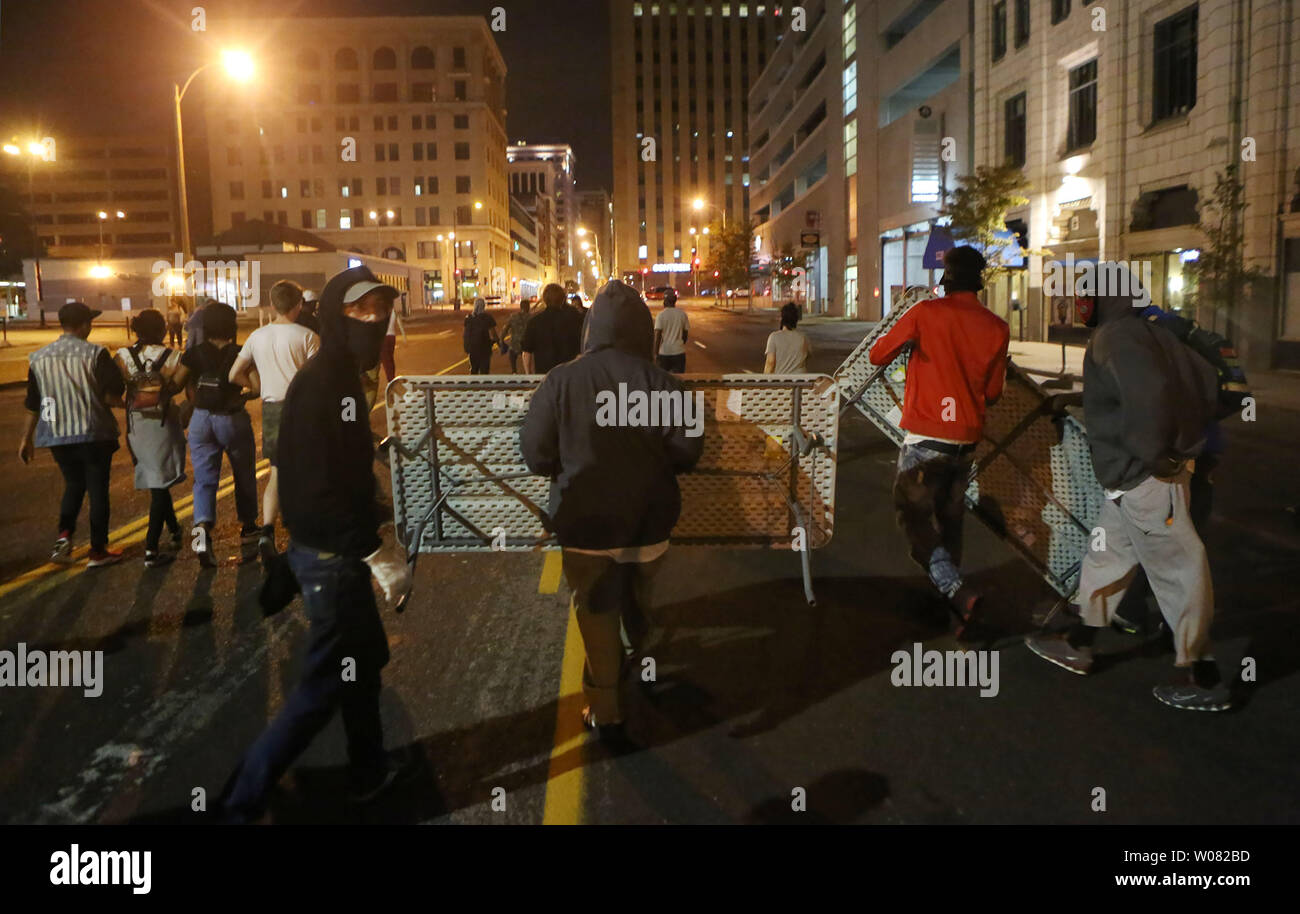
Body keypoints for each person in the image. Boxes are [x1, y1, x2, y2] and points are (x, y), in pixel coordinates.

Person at [217, 264, 411, 822]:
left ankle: (369, 770)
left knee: (363, 662)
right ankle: (239, 800)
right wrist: (374, 552)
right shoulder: (324, 379)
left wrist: (377, 479)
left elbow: (342, 467)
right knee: (322, 685)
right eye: (359, 310)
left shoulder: (345, 376)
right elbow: (311, 484)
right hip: (332, 558)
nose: (373, 319)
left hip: (333, 549)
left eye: (380, 309)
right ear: (332, 314)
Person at [1025, 263, 1231, 711]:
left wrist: (1157, 456)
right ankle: (1079, 643)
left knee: (1178, 570)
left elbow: (1149, 397)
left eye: (1086, 296)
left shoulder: (1115, 337)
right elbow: (1199, 385)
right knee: (1107, 556)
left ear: (1106, 297)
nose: (1078, 305)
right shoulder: (1149, 331)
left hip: (1145, 477)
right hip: (1134, 480)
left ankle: (1203, 674)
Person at [522, 280, 704, 741]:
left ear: (592, 329)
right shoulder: (666, 385)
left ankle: (606, 711)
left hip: (586, 526)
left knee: (596, 610)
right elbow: (688, 452)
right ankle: (639, 654)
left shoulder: (560, 380)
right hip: (650, 522)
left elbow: (535, 455)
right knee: (640, 597)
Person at [868, 246, 1009, 631]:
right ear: (979, 282)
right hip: (965, 442)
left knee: (912, 517)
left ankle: (958, 592)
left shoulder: (926, 313)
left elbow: (877, 355)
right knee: (950, 520)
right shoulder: (997, 327)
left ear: (946, 280)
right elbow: (994, 393)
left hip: (926, 437)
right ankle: (956, 606)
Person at [17, 302, 126, 567]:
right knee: (98, 489)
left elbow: (34, 402)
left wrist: (26, 438)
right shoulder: (96, 353)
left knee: (74, 485)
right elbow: (112, 393)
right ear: (85, 325)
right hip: (93, 433)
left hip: (57, 434)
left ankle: (63, 538)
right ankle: (98, 550)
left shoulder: (39, 358)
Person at [229, 280, 320, 561]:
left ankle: (267, 532)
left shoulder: (257, 337)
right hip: (302, 410)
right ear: (299, 305)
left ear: (272, 305)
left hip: (271, 409)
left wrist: (254, 387)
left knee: (277, 474)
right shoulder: (308, 337)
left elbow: (233, 375)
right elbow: (318, 379)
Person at [171, 302, 260, 567]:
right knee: (244, 474)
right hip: (231, 417)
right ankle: (248, 527)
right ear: (231, 326)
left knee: (204, 480)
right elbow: (255, 387)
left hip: (201, 419)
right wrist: (242, 393)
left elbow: (175, 383)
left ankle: (201, 530)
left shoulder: (195, 353)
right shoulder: (239, 352)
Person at [116, 309, 186, 567]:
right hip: (163, 424)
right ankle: (151, 547)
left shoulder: (122, 356)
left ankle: (175, 530)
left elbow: (115, 390)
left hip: (136, 425)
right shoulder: (175, 357)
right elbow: (178, 387)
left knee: (158, 483)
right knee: (160, 484)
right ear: (163, 330)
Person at [521, 283, 583, 374]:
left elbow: (526, 353)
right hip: (568, 375)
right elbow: (580, 351)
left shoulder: (534, 322)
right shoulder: (573, 320)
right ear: (562, 300)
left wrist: (528, 375)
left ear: (545, 300)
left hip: (544, 376)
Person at [764, 302, 812, 373]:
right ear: (796, 320)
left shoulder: (774, 337)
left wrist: (765, 379)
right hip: (801, 381)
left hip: (782, 381)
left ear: (782, 319)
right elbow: (807, 356)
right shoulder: (803, 338)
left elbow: (770, 362)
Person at [653, 288, 690, 373]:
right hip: (679, 352)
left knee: (663, 382)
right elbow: (685, 335)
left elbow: (657, 337)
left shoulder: (661, 316)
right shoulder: (682, 314)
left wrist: (655, 354)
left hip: (664, 353)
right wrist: (679, 344)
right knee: (679, 380)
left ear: (665, 301)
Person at [463, 297, 499, 375]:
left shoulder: (469, 318)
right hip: (485, 347)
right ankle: (483, 386)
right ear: (484, 306)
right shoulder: (488, 317)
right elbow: (493, 333)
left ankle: (473, 386)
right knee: (484, 370)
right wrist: (498, 342)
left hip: (472, 348)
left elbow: (465, 333)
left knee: (473, 369)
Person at [502, 299, 532, 374]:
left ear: (520, 307)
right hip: (527, 344)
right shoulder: (531, 318)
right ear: (528, 307)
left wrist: (501, 339)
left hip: (515, 343)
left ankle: (514, 371)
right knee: (528, 356)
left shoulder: (513, 316)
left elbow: (505, 328)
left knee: (512, 354)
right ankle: (528, 372)